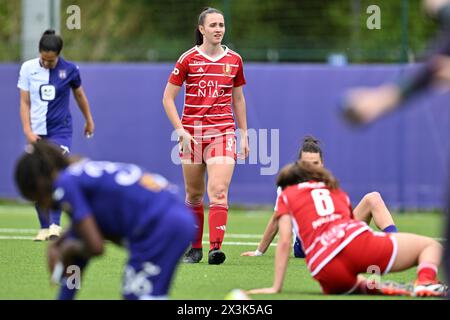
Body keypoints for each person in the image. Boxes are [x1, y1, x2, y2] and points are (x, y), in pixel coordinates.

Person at [14, 141, 195, 300]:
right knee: (139, 294)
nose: (41, 205)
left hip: (160, 224)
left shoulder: (66, 185)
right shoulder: (79, 175)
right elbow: (78, 262)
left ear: (40, 184)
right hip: (174, 215)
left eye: (36, 198)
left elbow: (95, 247)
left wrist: (67, 249)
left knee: (139, 295)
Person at [247, 162, 448, 297]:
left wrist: (276, 287)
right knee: (431, 246)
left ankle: (377, 287)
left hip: (323, 268)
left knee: (360, 283)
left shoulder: (286, 194)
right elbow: (351, 226)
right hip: (353, 244)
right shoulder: (336, 191)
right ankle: (425, 280)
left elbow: (284, 241)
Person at [162, 7, 249, 265]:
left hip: (222, 132)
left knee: (219, 190)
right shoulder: (188, 59)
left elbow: (239, 99)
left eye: (221, 24)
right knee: (194, 195)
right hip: (192, 136)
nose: (218, 29)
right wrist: (181, 131)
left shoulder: (234, 60)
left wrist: (243, 134)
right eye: (213, 25)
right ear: (201, 29)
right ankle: (195, 248)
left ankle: (215, 248)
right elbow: (167, 98)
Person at [241, 136, 397, 258]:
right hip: (306, 243)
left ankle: (396, 243)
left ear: (322, 163)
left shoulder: (328, 182)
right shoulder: (289, 185)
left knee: (373, 198)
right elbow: (277, 219)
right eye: (306, 163)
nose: (310, 168)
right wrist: (259, 251)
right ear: (299, 163)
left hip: (333, 234)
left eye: (315, 163)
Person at [17, 29, 95, 241]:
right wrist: (28, 130)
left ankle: (55, 225)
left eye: (51, 60)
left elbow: (79, 95)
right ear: (39, 53)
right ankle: (43, 227)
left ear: (58, 55)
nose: (47, 63)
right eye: (44, 59)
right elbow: (24, 102)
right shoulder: (27, 69)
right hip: (36, 132)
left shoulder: (69, 70)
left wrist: (88, 119)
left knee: (56, 172)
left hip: (60, 131)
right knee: (36, 175)